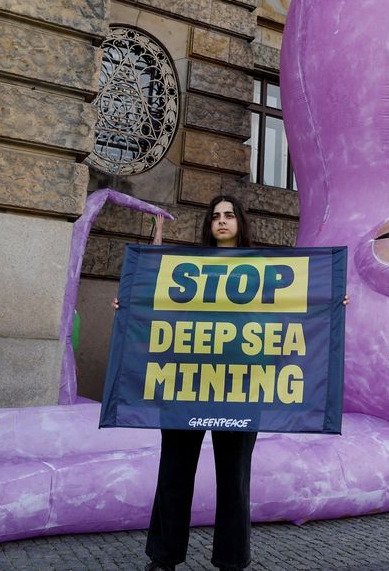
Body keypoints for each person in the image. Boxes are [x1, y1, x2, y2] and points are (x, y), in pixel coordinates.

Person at [143, 195, 258, 571]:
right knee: (174, 471)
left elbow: (299, 309)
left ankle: (231, 560)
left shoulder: (265, 268)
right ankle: (164, 558)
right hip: (185, 383)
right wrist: (130, 303)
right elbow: (157, 304)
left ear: (240, 221)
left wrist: (332, 300)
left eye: (228, 215)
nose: (221, 221)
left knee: (234, 477)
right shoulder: (188, 268)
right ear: (209, 225)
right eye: (215, 217)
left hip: (240, 385)